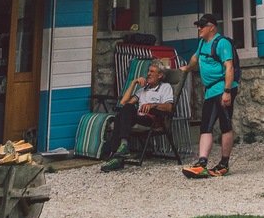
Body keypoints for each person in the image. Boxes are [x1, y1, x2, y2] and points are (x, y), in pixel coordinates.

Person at [181, 13, 237, 179]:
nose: (199, 28)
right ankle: (202, 164)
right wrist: (186, 68)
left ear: (212, 27)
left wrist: (227, 92)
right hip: (211, 90)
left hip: (223, 88)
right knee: (205, 126)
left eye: (202, 26)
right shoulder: (202, 44)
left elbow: (230, 68)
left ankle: (224, 165)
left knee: (225, 125)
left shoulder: (222, 43)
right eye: (198, 25)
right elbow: (194, 59)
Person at [100, 60, 174, 171]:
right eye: (148, 71)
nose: (148, 74)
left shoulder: (165, 87)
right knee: (126, 108)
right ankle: (122, 147)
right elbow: (123, 103)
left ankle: (116, 155)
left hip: (152, 119)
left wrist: (153, 105)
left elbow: (169, 107)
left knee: (120, 117)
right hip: (139, 118)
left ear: (160, 75)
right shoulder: (143, 90)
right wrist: (133, 82)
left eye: (152, 71)